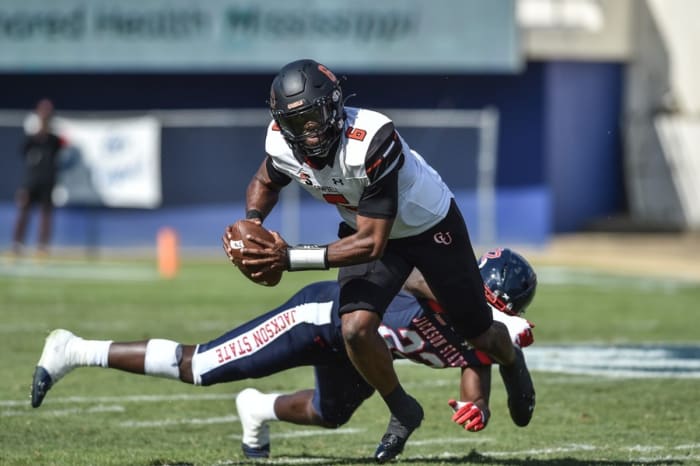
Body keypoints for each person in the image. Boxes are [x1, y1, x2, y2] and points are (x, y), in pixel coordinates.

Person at [222, 58, 534, 461]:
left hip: (429, 228)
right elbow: (265, 180)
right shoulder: (282, 143)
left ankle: (511, 357)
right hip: (364, 225)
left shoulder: (371, 138)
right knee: (354, 327)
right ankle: (402, 409)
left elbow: (372, 244)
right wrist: (253, 223)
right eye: (298, 123)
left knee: (477, 332)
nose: (310, 131)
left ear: (334, 106)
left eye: (315, 118)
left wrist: (288, 258)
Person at [31, 248, 538, 461]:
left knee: (330, 414)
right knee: (201, 366)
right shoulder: (433, 282)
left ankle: (257, 407)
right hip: (320, 321)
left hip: (364, 358)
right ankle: (76, 348)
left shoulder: (486, 338)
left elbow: (483, 371)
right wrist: (462, 298)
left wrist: (478, 406)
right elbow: (398, 269)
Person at [12, 99, 64, 257]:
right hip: (31, 180)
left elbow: (61, 146)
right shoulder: (31, 138)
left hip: (48, 180)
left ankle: (42, 246)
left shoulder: (54, 139)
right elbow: (23, 151)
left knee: (45, 213)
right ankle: (17, 244)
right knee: (24, 210)